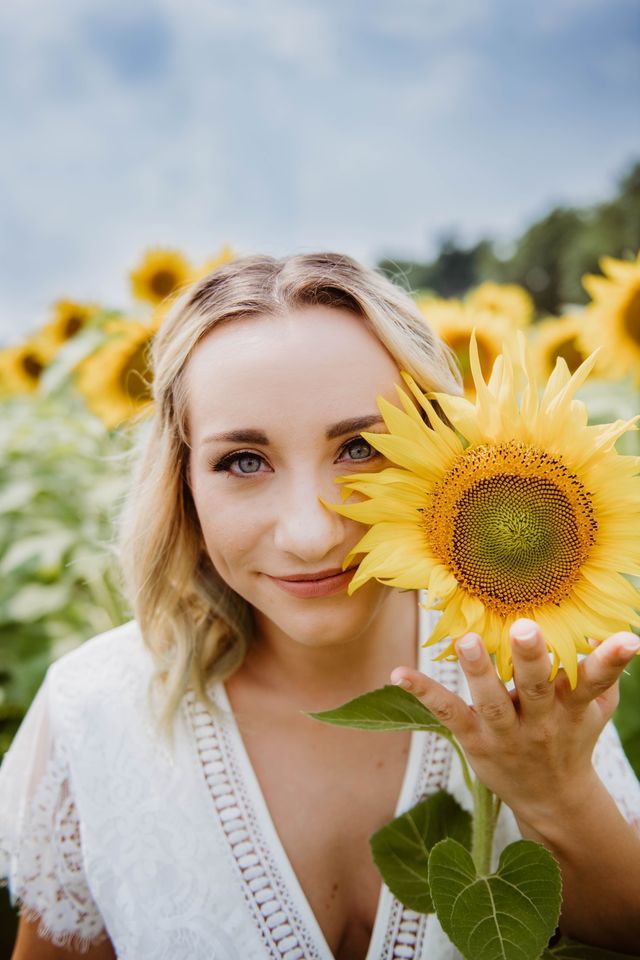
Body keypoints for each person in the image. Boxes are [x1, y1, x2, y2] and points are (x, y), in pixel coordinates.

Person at [1, 252, 639, 960]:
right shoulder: (96, 714)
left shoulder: (520, 676)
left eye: (361, 447)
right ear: (180, 482)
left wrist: (558, 793)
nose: (310, 534)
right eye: (244, 461)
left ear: (447, 452)